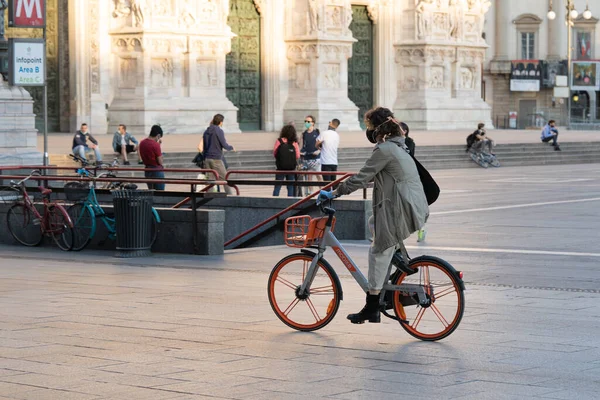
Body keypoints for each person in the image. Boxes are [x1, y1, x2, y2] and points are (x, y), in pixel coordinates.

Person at [325, 107, 429, 324]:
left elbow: (361, 178)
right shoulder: (398, 146)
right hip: (413, 206)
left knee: (377, 251)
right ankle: (396, 257)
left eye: (369, 127)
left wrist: (334, 192)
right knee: (374, 223)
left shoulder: (384, 150)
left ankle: (372, 306)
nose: (368, 131)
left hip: (402, 209)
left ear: (378, 128)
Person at [400, 122, 426, 242]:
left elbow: (408, 155)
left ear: (404, 131)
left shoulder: (409, 142)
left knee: (411, 206)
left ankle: (421, 228)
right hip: (399, 178)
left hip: (408, 177)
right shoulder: (394, 143)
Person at [203, 114, 235, 195]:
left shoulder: (207, 131)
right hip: (216, 158)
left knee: (210, 179)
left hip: (207, 158)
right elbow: (224, 144)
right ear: (220, 122)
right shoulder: (219, 131)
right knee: (225, 178)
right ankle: (230, 196)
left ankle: (209, 197)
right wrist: (231, 147)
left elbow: (205, 146)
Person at [272, 125, 301, 197]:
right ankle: (290, 201)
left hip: (280, 167)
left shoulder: (279, 141)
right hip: (291, 168)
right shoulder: (294, 142)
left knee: (277, 186)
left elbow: (275, 153)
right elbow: (297, 156)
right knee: (290, 186)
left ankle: (274, 200)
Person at [139, 125, 165, 191]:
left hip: (147, 170)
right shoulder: (155, 145)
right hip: (157, 171)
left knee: (151, 192)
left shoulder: (142, 143)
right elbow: (160, 161)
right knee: (160, 193)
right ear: (158, 135)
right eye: (159, 137)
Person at [300, 115, 321, 195]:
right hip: (307, 158)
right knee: (309, 177)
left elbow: (321, 145)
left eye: (308, 121)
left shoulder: (317, 132)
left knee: (319, 176)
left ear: (313, 123)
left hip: (316, 158)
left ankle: (322, 190)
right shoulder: (304, 134)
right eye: (305, 121)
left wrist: (318, 151)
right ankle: (311, 192)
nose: (306, 123)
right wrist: (301, 152)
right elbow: (301, 147)